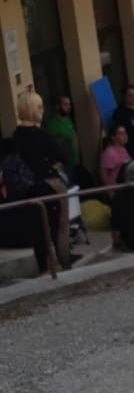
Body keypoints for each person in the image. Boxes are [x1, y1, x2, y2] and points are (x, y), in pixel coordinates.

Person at [0, 89, 71, 269]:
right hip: (48, 183)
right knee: (60, 227)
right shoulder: (41, 134)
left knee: (38, 229)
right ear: (32, 109)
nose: (43, 110)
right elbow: (63, 155)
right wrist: (53, 165)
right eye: (39, 107)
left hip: (26, 188)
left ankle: (44, 265)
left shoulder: (16, 135)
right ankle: (64, 262)